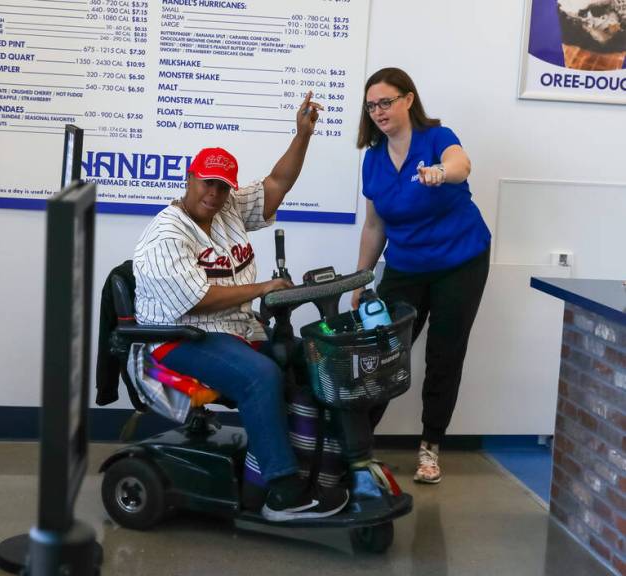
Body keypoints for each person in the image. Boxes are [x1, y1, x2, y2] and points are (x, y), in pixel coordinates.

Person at [132, 92, 349, 522]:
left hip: (233, 330)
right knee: (260, 376)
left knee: (308, 363)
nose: (214, 193)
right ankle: (281, 494)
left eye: (222, 185)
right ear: (190, 178)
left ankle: (315, 468)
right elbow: (198, 300)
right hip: (177, 337)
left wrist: (302, 135)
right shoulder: (166, 235)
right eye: (206, 182)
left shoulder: (227, 209)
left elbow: (277, 183)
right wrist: (263, 288)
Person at [353, 68, 491, 484]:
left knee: (444, 355)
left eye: (386, 102)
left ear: (408, 100)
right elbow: (375, 226)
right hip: (406, 266)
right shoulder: (374, 158)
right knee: (384, 353)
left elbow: (461, 164)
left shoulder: (436, 138)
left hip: (460, 261)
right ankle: (356, 443)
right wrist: (360, 280)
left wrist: (440, 173)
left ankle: (430, 447)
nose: (378, 111)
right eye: (372, 104)